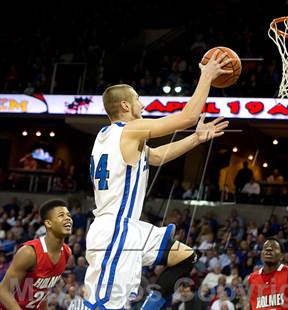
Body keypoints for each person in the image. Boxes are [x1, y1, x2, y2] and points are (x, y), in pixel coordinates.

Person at [83, 51, 232, 309]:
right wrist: (206, 76)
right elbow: (187, 117)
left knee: (185, 257)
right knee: (105, 306)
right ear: (126, 106)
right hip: (115, 231)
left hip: (128, 228)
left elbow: (157, 156)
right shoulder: (129, 130)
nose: (143, 105)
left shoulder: (107, 136)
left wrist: (195, 139)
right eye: (138, 100)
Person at [0, 199, 72, 309]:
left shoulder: (66, 252)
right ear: (48, 223)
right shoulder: (29, 252)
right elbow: (3, 291)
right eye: (61, 215)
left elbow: (42, 293)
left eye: (69, 215)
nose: (68, 218)